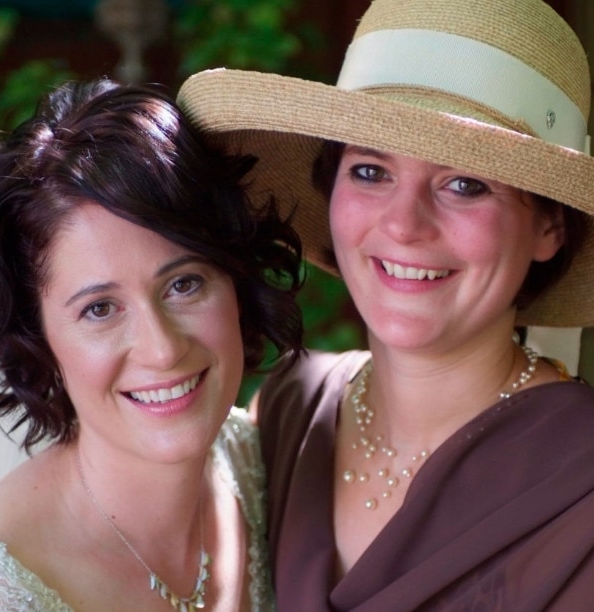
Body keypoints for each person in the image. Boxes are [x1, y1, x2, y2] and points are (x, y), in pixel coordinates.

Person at [177, 0, 594, 609]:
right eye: (371, 171)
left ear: (550, 228)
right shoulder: (288, 410)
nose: (404, 225)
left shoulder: (580, 478)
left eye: (465, 184)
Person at [0, 78, 303, 610]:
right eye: (100, 309)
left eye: (184, 284)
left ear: (237, 285)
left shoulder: (259, 462)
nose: (162, 350)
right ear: (41, 340)